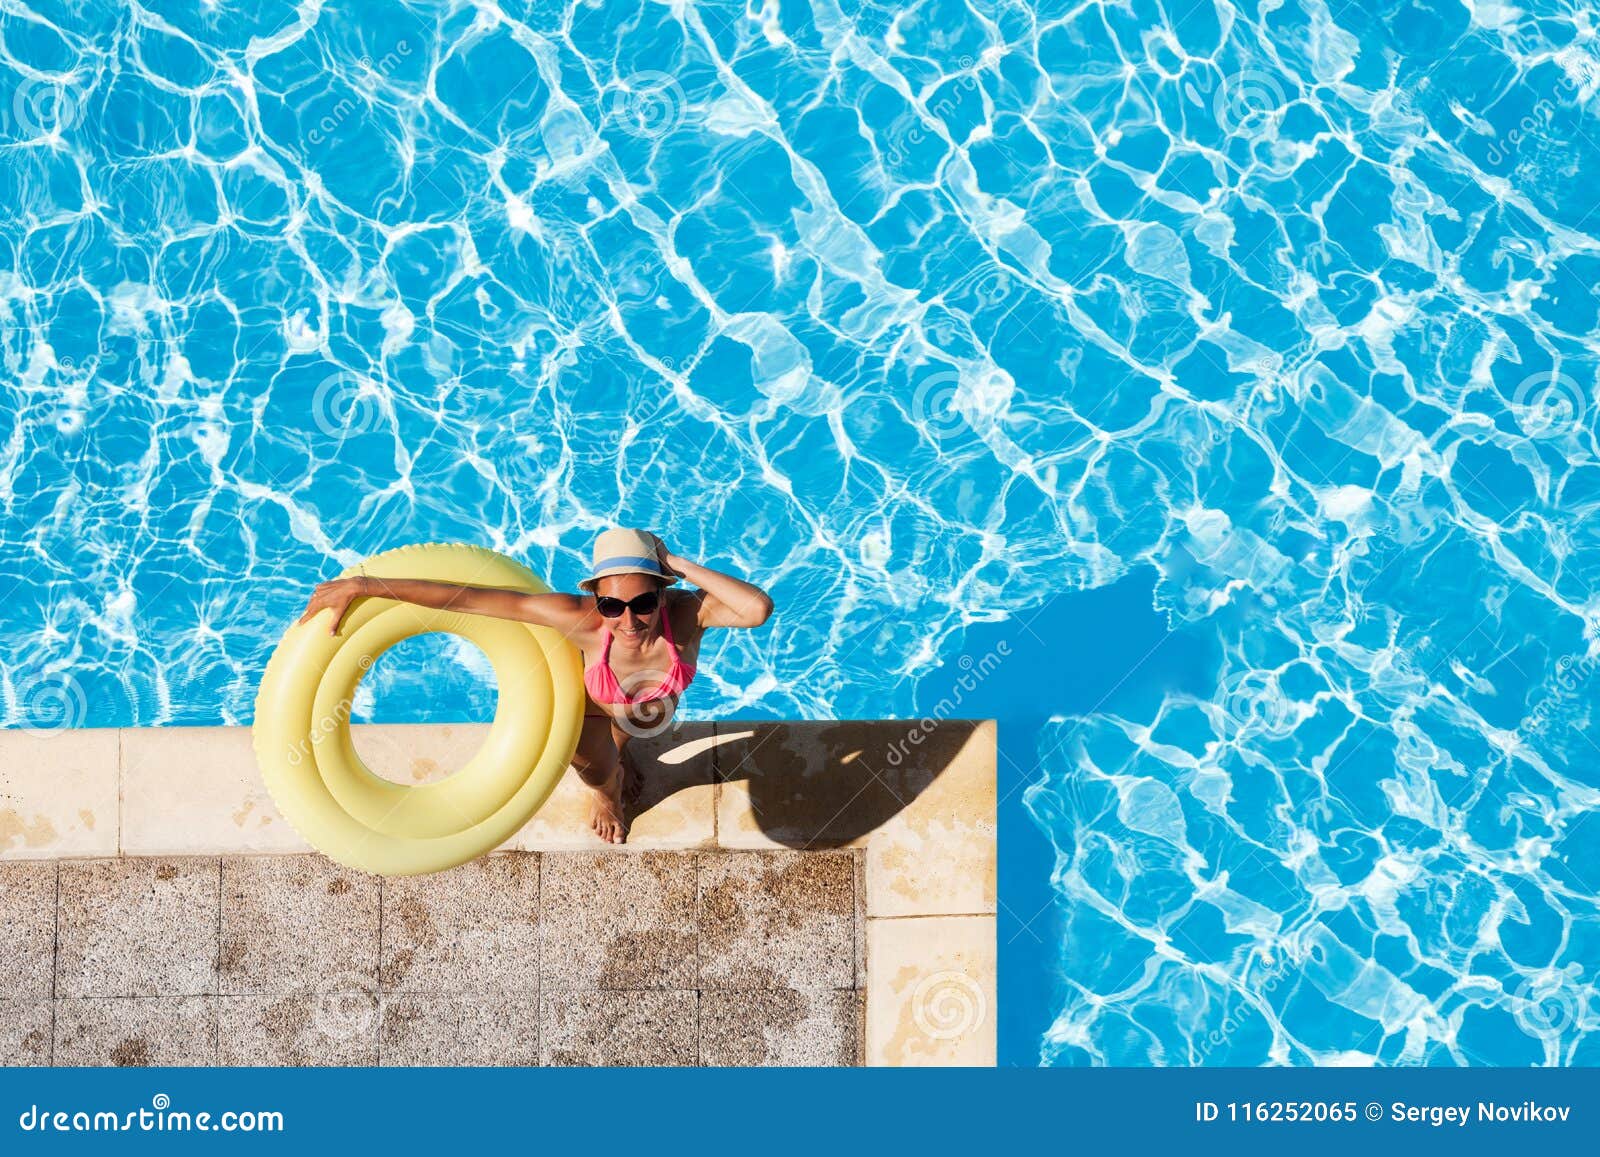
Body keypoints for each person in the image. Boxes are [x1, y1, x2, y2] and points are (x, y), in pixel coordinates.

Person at [299, 529, 773, 843]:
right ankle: (607, 795)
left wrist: (673, 561)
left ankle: (620, 759)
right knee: (599, 770)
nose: (628, 620)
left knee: (625, 744)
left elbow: (757, 609)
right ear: (596, 600)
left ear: (663, 593)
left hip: (646, 714)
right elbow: (470, 599)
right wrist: (365, 586)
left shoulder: (689, 614)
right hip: (591, 714)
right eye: (612, 605)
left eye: (643, 602)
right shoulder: (580, 620)